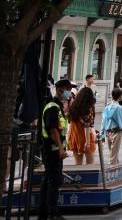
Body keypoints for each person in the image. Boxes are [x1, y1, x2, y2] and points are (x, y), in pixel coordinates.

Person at [39, 80, 71, 220]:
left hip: (54, 150)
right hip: (52, 150)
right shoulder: (52, 107)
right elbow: (52, 130)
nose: (69, 92)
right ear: (59, 90)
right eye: (67, 89)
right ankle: (52, 213)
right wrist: (60, 149)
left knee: (49, 180)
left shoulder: (57, 106)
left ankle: (44, 213)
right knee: (53, 181)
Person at [99, 87, 122, 165]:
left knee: (113, 154)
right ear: (120, 96)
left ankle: (116, 170)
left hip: (108, 133)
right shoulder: (119, 108)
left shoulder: (107, 107)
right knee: (113, 156)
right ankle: (112, 170)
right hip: (116, 132)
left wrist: (101, 134)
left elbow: (103, 122)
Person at [66, 86, 97, 165]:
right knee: (89, 165)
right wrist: (88, 143)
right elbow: (87, 126)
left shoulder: (73, 107)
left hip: (75, 137)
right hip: (86, 137)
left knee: (78, 164)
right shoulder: (88, 109)